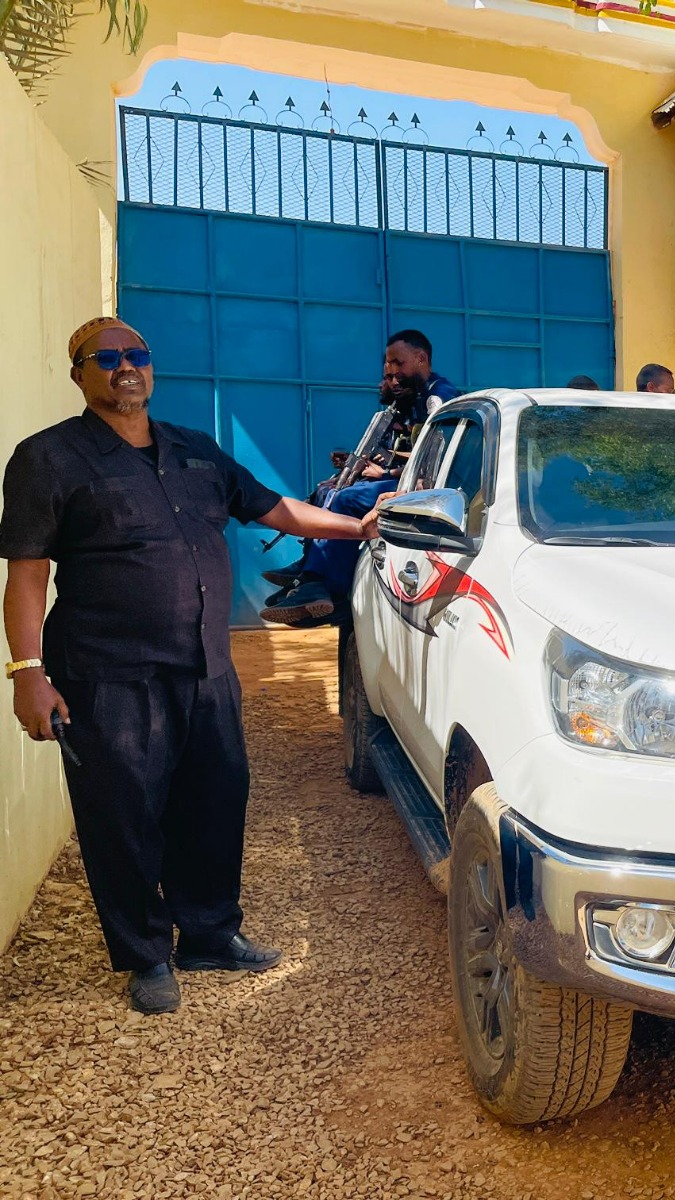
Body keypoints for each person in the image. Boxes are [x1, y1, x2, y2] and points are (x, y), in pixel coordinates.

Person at [0, 317, 380, 1013]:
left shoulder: (195, 450)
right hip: (108, 676)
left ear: (150, 365)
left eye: (136, 354)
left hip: (206, 668)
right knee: (123, 817)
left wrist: (357, 527)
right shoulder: (47, 458)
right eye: (105, 357)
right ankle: (145, 955)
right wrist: (28, 671)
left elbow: (277, 510)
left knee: (214, 802)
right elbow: (26, 573)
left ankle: (209, 934)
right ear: (78, 373)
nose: (124, 366)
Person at [261, 332, 460, 624]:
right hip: (407, 478)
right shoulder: (412, 397)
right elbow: (405, 450)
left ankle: (324, 587)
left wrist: (385, 472)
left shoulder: (438, 398)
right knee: (327, 490)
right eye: (388, 366)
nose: (391, 373)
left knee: (346, 498)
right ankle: (310, 571)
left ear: (421, 358)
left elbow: (438, 458)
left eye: (398, 363)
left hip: (429, 487)